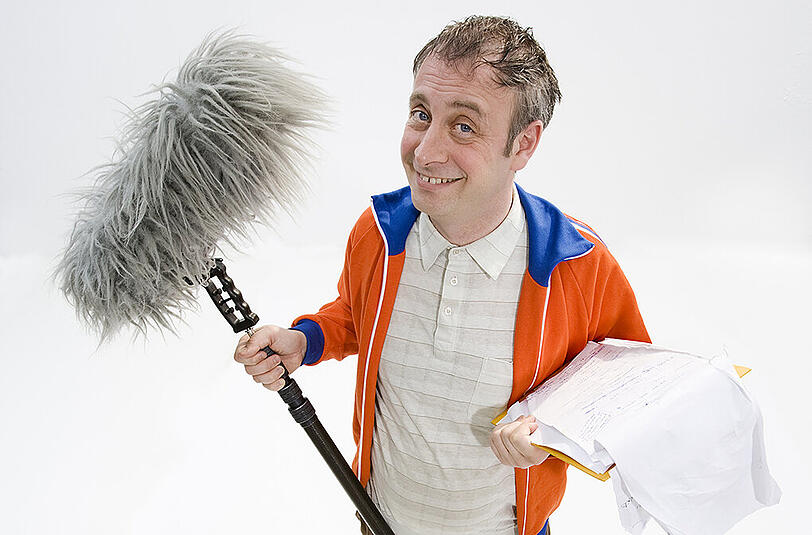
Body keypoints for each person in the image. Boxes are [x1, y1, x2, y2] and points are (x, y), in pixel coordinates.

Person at [234, 15, 649, 535]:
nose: (426, 152)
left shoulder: (577, 263)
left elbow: (630, 393)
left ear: (524, 143)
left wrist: (552, 434)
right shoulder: (378, 234)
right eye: (421, 114)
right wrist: (305, 341)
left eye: (464, 126)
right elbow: (358, 316)